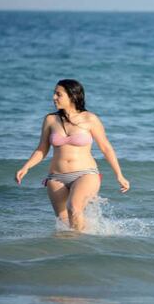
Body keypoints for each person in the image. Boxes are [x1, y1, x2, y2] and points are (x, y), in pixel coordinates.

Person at [15, 79, 130, 231]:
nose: (54, 97)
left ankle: (82, 247)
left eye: (58, 94)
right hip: (56, 178)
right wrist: (26, 167)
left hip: (85, 174)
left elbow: (106, 148)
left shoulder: (90, 119)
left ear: (72, 96)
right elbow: (42, 148)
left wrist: (119, 175)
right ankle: (74, 250)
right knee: (64, 223)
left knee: (74, 208)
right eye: (54, 93)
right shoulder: (50, 119)